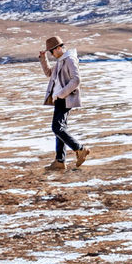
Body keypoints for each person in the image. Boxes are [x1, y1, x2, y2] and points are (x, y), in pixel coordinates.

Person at [39, 35, 90, 170]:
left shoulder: (70, 59)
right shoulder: (61, 60)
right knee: (60, 129)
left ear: (59, 48)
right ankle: (60, 161)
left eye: (51, 51)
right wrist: (43, 58)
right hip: (60, 99)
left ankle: (80, 149)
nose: (51, 54)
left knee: (57, 128)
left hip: (65, 98)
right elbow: (49, 73)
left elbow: (76, 80)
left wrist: (60, 94)